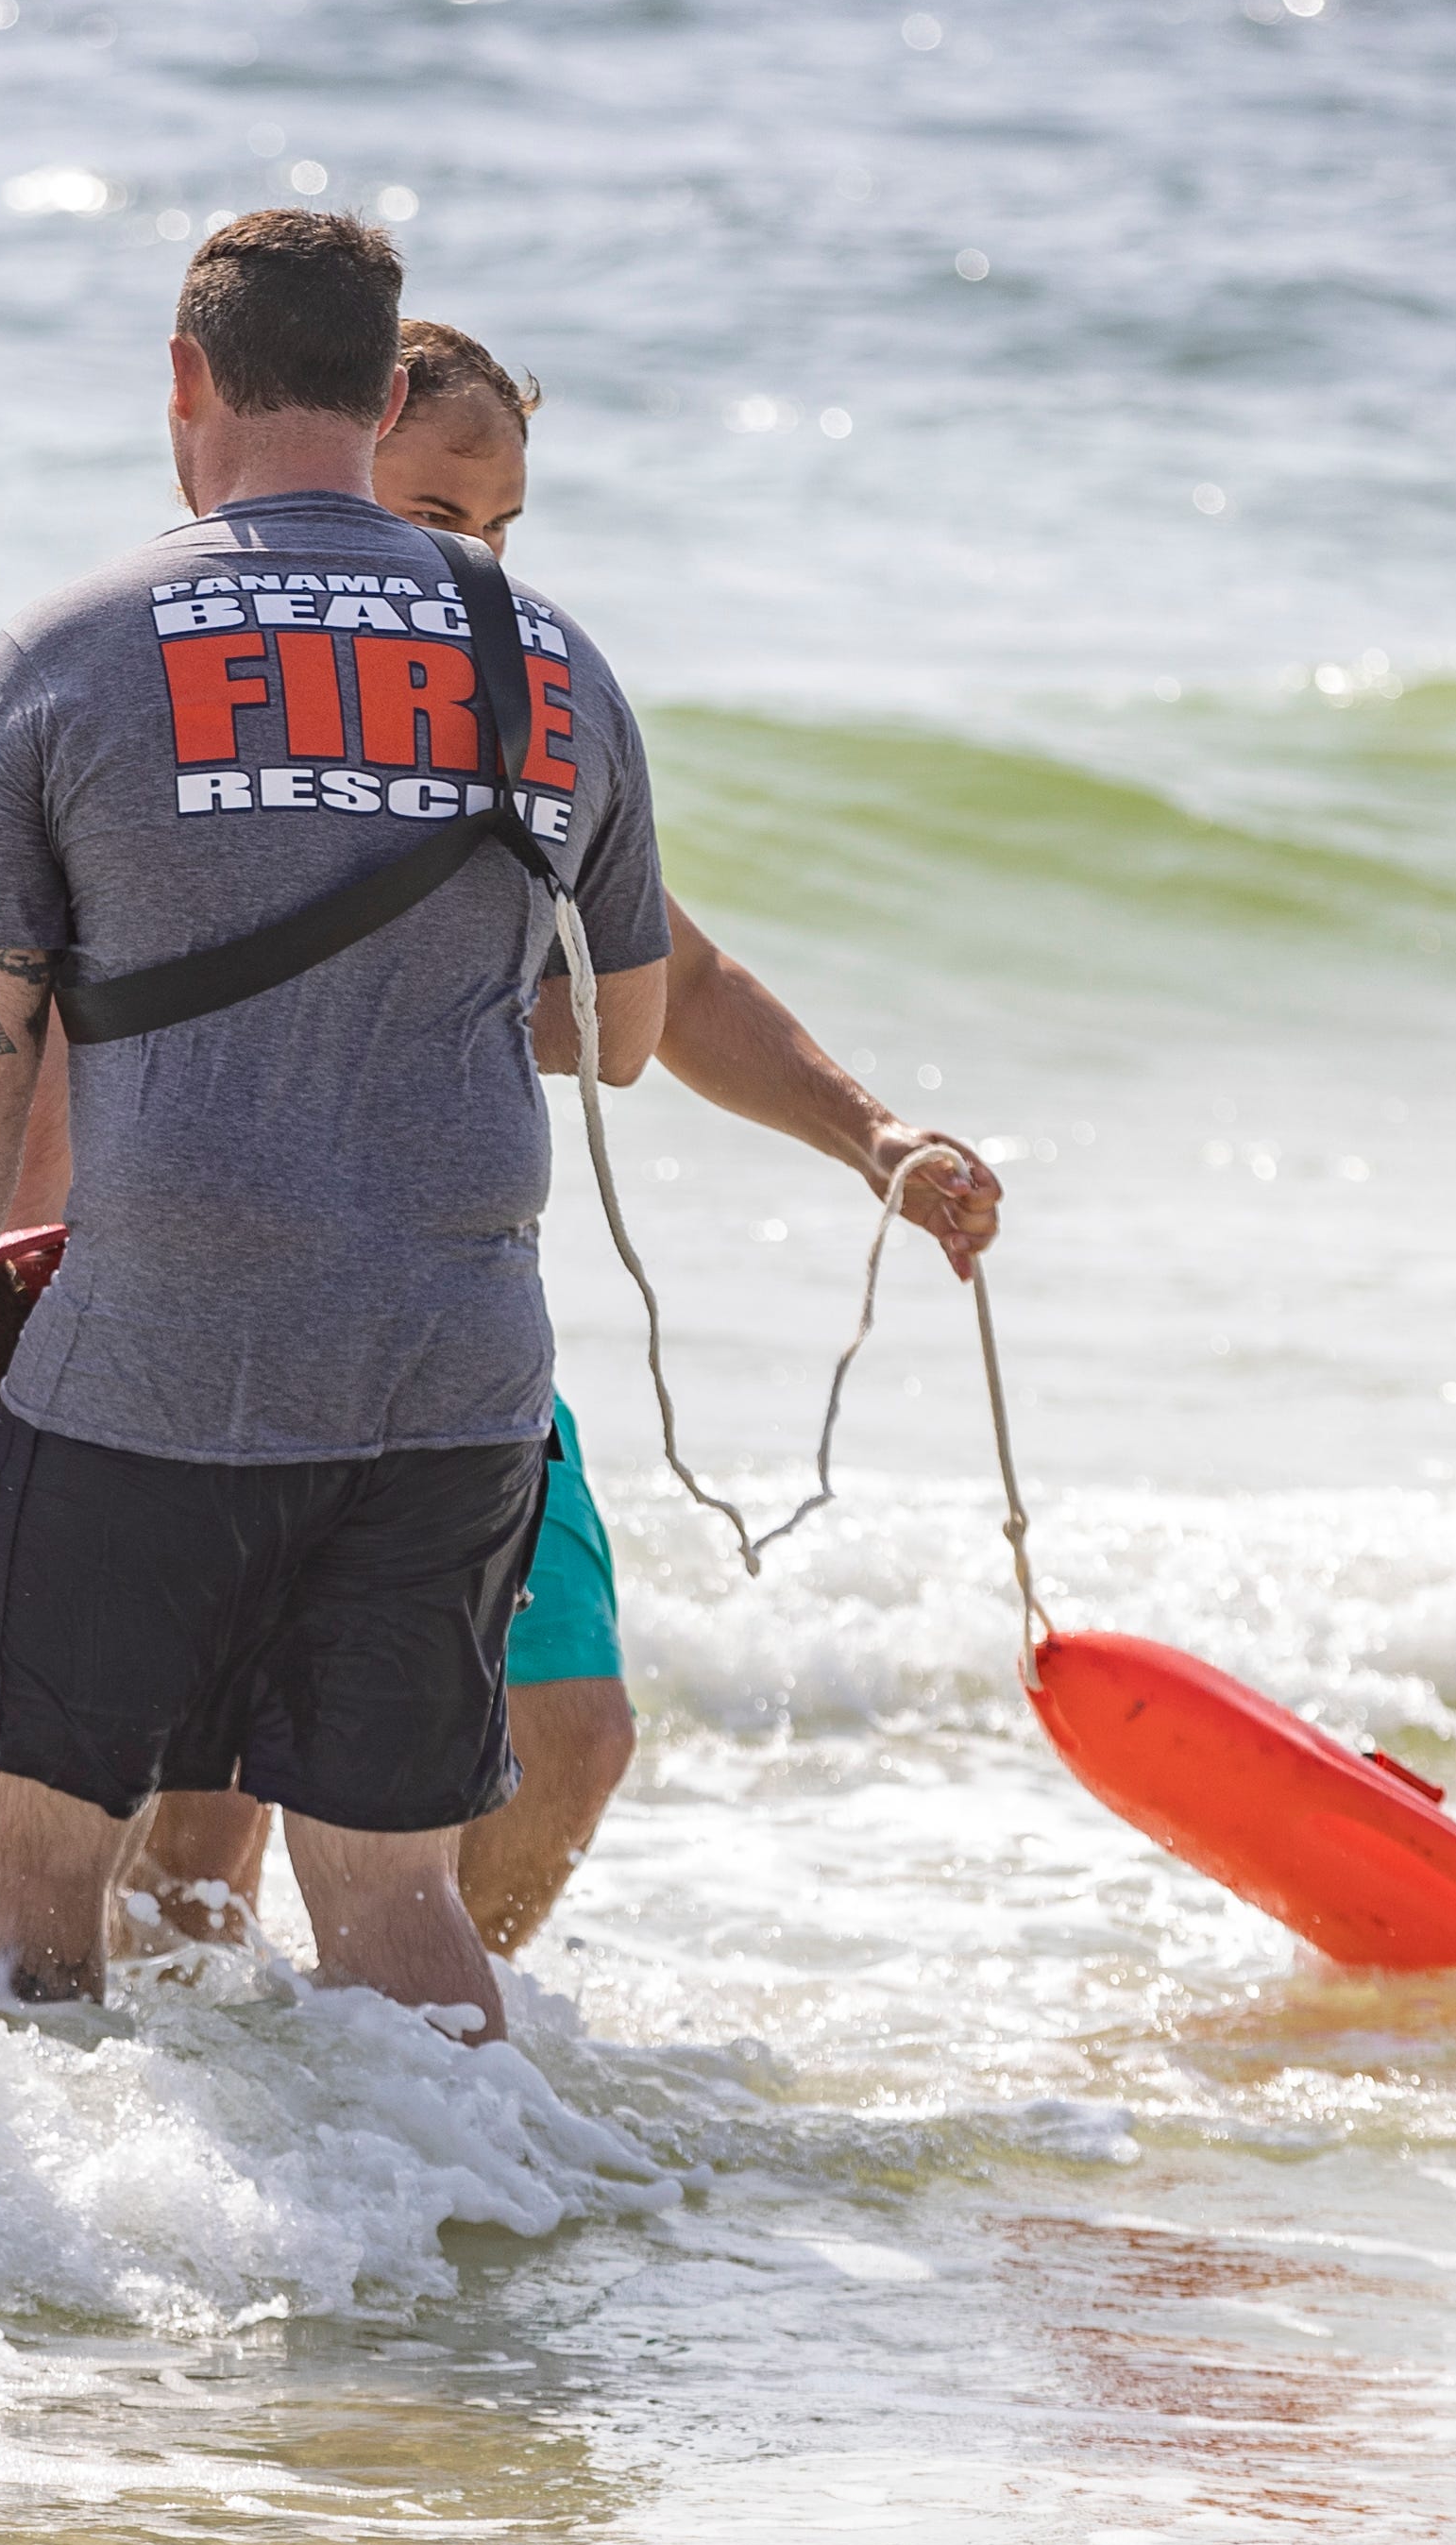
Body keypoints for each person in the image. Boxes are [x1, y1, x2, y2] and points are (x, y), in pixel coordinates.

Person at [0, 212, 673, 2040]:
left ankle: (52, 2307)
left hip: (152, 1364)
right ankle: (489, 2278)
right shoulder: (548, 651)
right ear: (388, 393)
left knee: (21, 1931)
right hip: (453, 1377)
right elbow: (623, 1029)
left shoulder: (69, 646)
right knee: (394, 1911)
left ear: (183, 380)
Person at [125, 317, 1008, 1960]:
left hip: (459, 1315)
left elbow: (673, 976)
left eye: (504, 528)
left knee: (574, 1726)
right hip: (216, 1311)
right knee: (207, 1797)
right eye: (444, 516)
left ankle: (403, 2066)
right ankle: (229, 2101)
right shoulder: (191, 690)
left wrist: (876, 1139)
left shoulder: (513, 717)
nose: (481, 565)